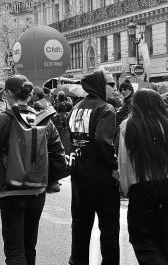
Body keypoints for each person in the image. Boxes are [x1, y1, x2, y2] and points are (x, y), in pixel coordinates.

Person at [0, 74, 65, 265]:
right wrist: (48, 180)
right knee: (29, 246)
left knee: (14, 249)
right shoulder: (44, 120)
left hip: (9, 190)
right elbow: (59, 156)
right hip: (37, 191)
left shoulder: (2, 120)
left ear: (8, 94)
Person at [68, 70, 120, 265]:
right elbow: (103, 141)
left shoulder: (76, 107)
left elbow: (69, 139)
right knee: (109, 226)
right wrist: (114, 166)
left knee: (80, 223)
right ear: (100, 86)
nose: (114, 87)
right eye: (110, 84)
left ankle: (77, 260)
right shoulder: (106, 109)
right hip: (101, 176)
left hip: (78, 174)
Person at [118, 89, 168, 264]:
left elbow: (124, 163)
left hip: (140, 188)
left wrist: (126, 189)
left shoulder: (127, 125)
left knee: (142, 237)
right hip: (165, 184)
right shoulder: (165, 123)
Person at [115, 79, 134, 144]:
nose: (123, 91)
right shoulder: (126, 101)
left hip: (128, 131)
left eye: (125, 89)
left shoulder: (132, 101)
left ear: (131, 89)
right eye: (121, 90)